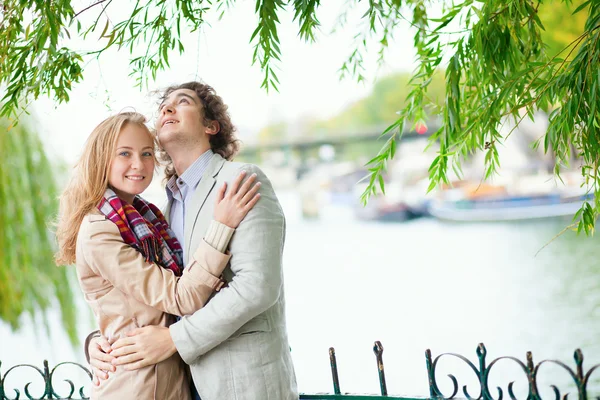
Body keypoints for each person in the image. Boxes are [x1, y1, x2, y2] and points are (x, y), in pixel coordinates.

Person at [88, 82, 299, 400]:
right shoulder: (162, 210)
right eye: (163, 107)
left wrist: (175, 339)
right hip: (183, 385)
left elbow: (257, 288)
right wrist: (96, 341)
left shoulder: (240, 181)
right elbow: (149, 297)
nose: (167, 109)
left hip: (243, 384)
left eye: (182, 102)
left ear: (211, 126)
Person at [54, 111, 260, 399]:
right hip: (135, 387)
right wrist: (221, 226)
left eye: (147, 153)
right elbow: (181, 298)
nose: (138, 164)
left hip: (167, 381)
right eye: (124, 153)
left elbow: (126, 307)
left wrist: (97, 340)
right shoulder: (99, 230)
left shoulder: (148, 217)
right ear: (101, 158)